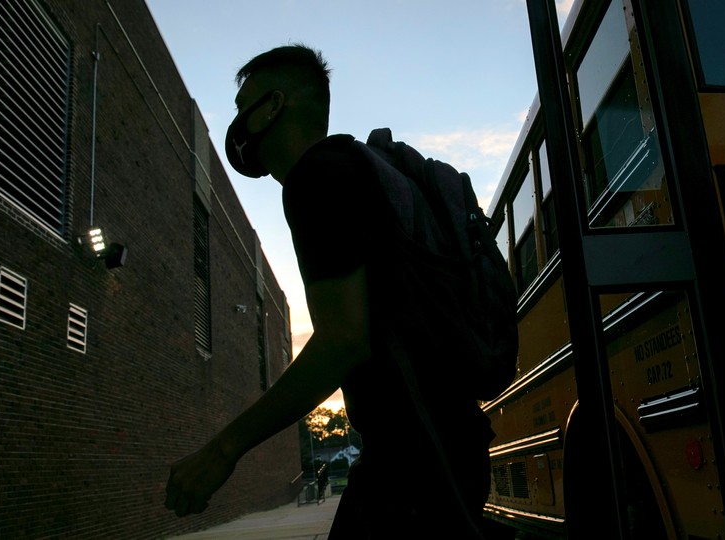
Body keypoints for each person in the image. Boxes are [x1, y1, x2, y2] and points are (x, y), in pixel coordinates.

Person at [163, 44, 496, 538]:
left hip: (415, 461)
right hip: (443, 443)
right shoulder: (357, 171)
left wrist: (222, 451)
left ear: (273, 105)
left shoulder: (314, 179)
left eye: (242, 106)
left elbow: (343, 340)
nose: (237, 122)